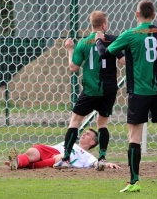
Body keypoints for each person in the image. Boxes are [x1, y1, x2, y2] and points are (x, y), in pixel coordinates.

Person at [95, 0, 157, 193]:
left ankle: (134, 181)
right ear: (154, 15)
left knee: (134, 136)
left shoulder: (130, 35)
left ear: (136, 15)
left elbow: (104, 54)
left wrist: (99, 40)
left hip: (140, 92)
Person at [53, 11, 125, 172]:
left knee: (75, 121)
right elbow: (122, 61)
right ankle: (102, 158)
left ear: (91, 24)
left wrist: (70, 49)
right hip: (109, 89)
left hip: (91, 89)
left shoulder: (84, 43)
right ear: (104, 25)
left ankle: (65, 159)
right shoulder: (113, 40)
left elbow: (73, 67)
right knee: (102, 124)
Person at [6, 128, 121, 170]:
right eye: (84, 132)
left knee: (63, 158)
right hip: (50, 150)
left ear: (92, 142)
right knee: (33, 151)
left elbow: (96, 162)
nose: (83, 134)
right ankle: (17, 162)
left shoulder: (87, 155)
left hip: (59, 158)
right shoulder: (71, 141)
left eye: (87, 134)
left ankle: (27, 164)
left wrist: (107, 164)